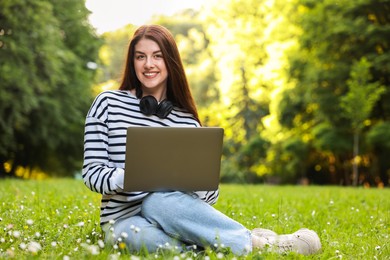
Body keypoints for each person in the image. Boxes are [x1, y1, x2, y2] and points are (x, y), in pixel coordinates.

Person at [82, 24, 321, 256]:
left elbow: (209, 197)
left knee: (158, 202)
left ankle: (250, 244)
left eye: (157, 56)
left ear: (170, 61)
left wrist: (196, 184)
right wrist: (133, 177)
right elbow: (92, 173)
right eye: (140, 56)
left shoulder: (187, 121)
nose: (148, 64)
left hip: (171, 210)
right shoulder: (107, 103)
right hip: (124, 220)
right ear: (132, 62)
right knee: (134, 236)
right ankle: (254, 244)